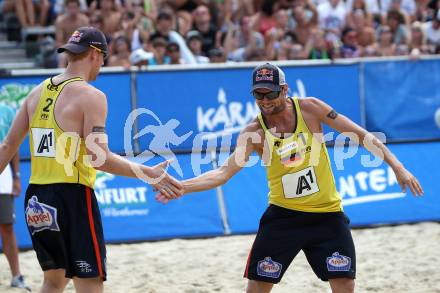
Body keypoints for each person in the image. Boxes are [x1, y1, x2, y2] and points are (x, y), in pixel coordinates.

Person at [156, 63, 424, 293]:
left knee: (345, 284)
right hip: (283, 217)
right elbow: (223, 173)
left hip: (327, 214)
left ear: (284, 90)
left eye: (270, 93)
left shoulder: (311, 109)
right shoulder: (254, 132)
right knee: (257, 288)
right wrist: (181, 186)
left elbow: (361, 134)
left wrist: (397, 167)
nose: (264, 100)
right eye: (258, 95)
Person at [0, 26, 183, 293]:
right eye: (103, 59)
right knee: (89, 283)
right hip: (71, 197)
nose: (102, 66)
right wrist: (147, 173)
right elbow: (99, 159)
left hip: (36, 199)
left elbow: (6, 147)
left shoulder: (36, 93)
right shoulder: (91, 96)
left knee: (53, 282)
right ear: (95, 54)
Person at [0, 104, 31, 291]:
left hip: (3, 174)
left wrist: (17, 176)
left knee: (7, 227)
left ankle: (16, 276)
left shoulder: (7, 110)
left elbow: (13, 144)